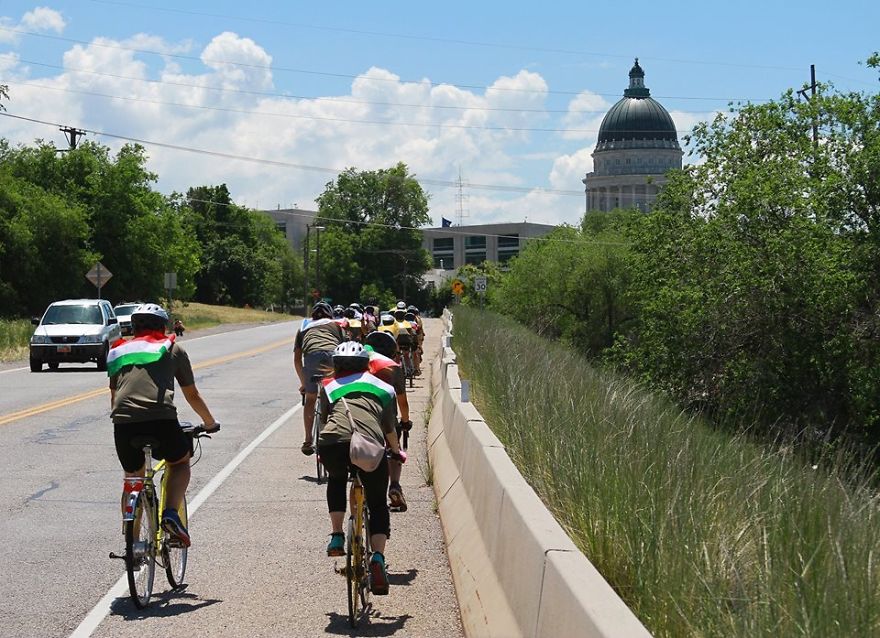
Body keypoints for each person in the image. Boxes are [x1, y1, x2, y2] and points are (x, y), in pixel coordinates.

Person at [108, 303, 219, 547]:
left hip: (124, 423)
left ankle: (132, 543)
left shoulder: (118, 351)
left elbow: (114, 397)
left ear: (133, 328)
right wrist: (209, 423)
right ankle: (170, 514)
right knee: (179, 463)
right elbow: (192, 395)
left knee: (132, 478)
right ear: (163, 326)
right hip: (161, 419)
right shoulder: (172, 348)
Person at [316, 341, 406, 595]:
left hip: (332, 442)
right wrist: (396, 451)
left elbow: (324, 420)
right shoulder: (383, 388)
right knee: (377, 503)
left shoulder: (328, 386)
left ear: (336, 365)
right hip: (368, 445)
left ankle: (337, 535)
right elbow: (389, 428)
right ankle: (377, 557)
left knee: (336, 479)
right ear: (367, 365)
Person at [364, 330, 412, 512]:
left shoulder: (360, 363)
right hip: (387, 420)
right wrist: (405, 422)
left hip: (362, 417)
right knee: (394, 450)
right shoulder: (393, 367)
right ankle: (395, 485)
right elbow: (402, 401)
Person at [294, 301, 345, 455]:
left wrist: (304, 384)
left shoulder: (303, 327)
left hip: (312, 356)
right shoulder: (336, 325)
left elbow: (297, 360)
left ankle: (308, 440)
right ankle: (339, 434)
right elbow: (345, 350)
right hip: (332, 354)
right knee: (335, 396)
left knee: (310, 398)